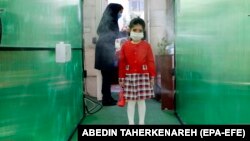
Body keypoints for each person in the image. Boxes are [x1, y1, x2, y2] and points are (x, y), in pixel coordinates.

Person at [118, 17, 156, 125]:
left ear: (143, 31)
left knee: (141, 101)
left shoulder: (146, 46)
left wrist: (152, 76)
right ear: (130, 30)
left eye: (140, 30)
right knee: (130, 101)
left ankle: (141, 123)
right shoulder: (125, 46)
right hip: (129, 76)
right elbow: (122, 63)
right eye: (135, 30)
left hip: (143, 76)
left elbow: (150, 61)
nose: (137, 32)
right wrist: (121, 78)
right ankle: (131, 123)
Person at [95, 3, 124, 106]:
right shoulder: (111, 21)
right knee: (107, 77)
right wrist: (125, 33)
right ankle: (106, 100)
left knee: (106, 77)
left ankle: (107, 98)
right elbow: (114, 36)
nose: (120, 14)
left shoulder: (106, 20)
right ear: (115, 11)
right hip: (105, 53)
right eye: (120, 12)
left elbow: (101, 33)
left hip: (103, 52)